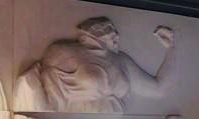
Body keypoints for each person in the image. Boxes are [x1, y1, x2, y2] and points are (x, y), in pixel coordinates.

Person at [15, 17, 175, 113]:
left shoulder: (122, 61)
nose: (116, 36)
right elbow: (45, 96)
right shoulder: (63, 52)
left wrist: (172, 49)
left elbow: (158, 89)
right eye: (108, 31)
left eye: (114, 32)